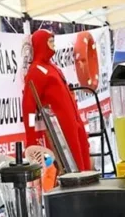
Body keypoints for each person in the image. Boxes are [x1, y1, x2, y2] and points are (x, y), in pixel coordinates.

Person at [21, 29, 92, 172]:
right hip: (59, 128)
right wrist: (31, 138)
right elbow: (29, 107)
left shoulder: (53, 68)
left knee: (82, 157)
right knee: (72, 162)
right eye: (50, 41)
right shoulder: (35, 72)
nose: (53, 45)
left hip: (73, 121)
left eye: (53, 41)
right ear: (41, 44)